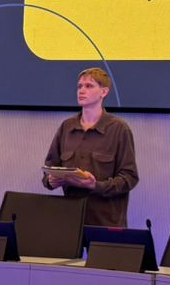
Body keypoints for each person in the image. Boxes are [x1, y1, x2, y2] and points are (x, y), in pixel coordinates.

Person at [41, 67, 138, 227]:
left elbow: (129, 178)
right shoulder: (67, 127)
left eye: (89, 86)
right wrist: (50, 181)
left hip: (105, 222)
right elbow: (50, 167)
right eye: (79, 86)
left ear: (104, 92)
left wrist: (96, 185)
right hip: (70, 220)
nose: (82, 90)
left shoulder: (119, 129)